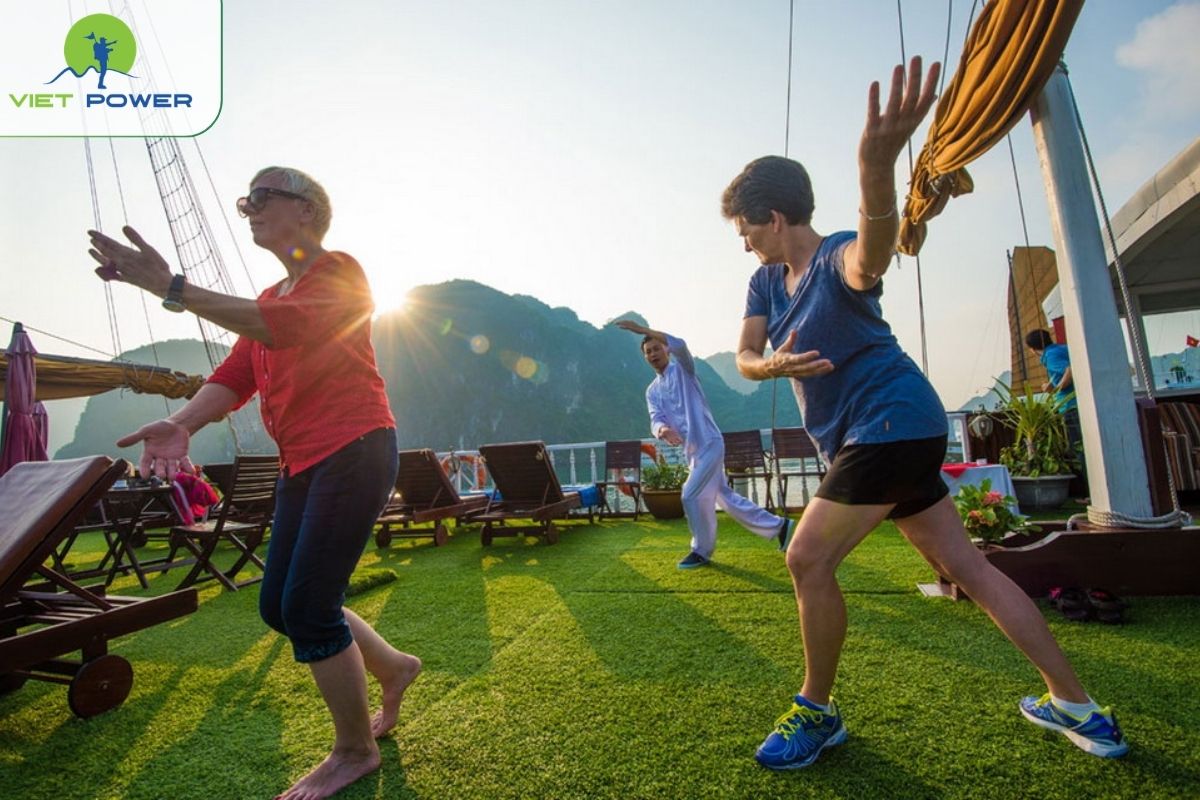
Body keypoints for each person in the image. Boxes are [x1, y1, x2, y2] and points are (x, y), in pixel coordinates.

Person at [722, 57, 1127, 770]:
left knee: (806, 557)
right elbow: (747, 359)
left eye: (747, 230)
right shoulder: (765, 281)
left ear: (775, 219)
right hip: (892, 431)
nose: (744, 242)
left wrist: (876, 168)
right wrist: (776, 365)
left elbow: (873, 253)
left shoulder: (837, 257)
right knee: (965, 566)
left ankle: (816, 711)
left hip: (890, 421)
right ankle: (1077, 705)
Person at [88, 166, 422, 800]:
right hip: (303, 461)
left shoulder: (339, 271)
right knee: (280, 607)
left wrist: (171, 286)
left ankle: (355, 750)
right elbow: (237, 374)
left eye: (263, 197)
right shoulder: (270, 297)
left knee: (307, 607)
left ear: (308, 210)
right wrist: (182, 422)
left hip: (355, 447)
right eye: (247, 200)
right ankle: (393, 665)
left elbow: (288, 327)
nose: (250, 209)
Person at [616, 319, 792, 568]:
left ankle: (701, 550)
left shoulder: (684, 370)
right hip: (693, 453)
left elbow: (681, 345)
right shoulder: (652, 391)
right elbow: (656, 419)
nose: (653, 354)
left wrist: (643, 331)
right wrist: (663, 430)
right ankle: (782, 527)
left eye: (657, 348)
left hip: (708, 442)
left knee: (689, 495)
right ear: (645, 357)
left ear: (666, 350)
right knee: (726, 498)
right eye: (648, 351)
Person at [1025, 328, 1083, 462]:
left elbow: (1070, 369)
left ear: (1032, 349)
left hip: (1071, 406)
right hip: (1079, 403)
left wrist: (1056, 389)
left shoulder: (1051, 356)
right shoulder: (1062, 349)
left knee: (1078, 449)